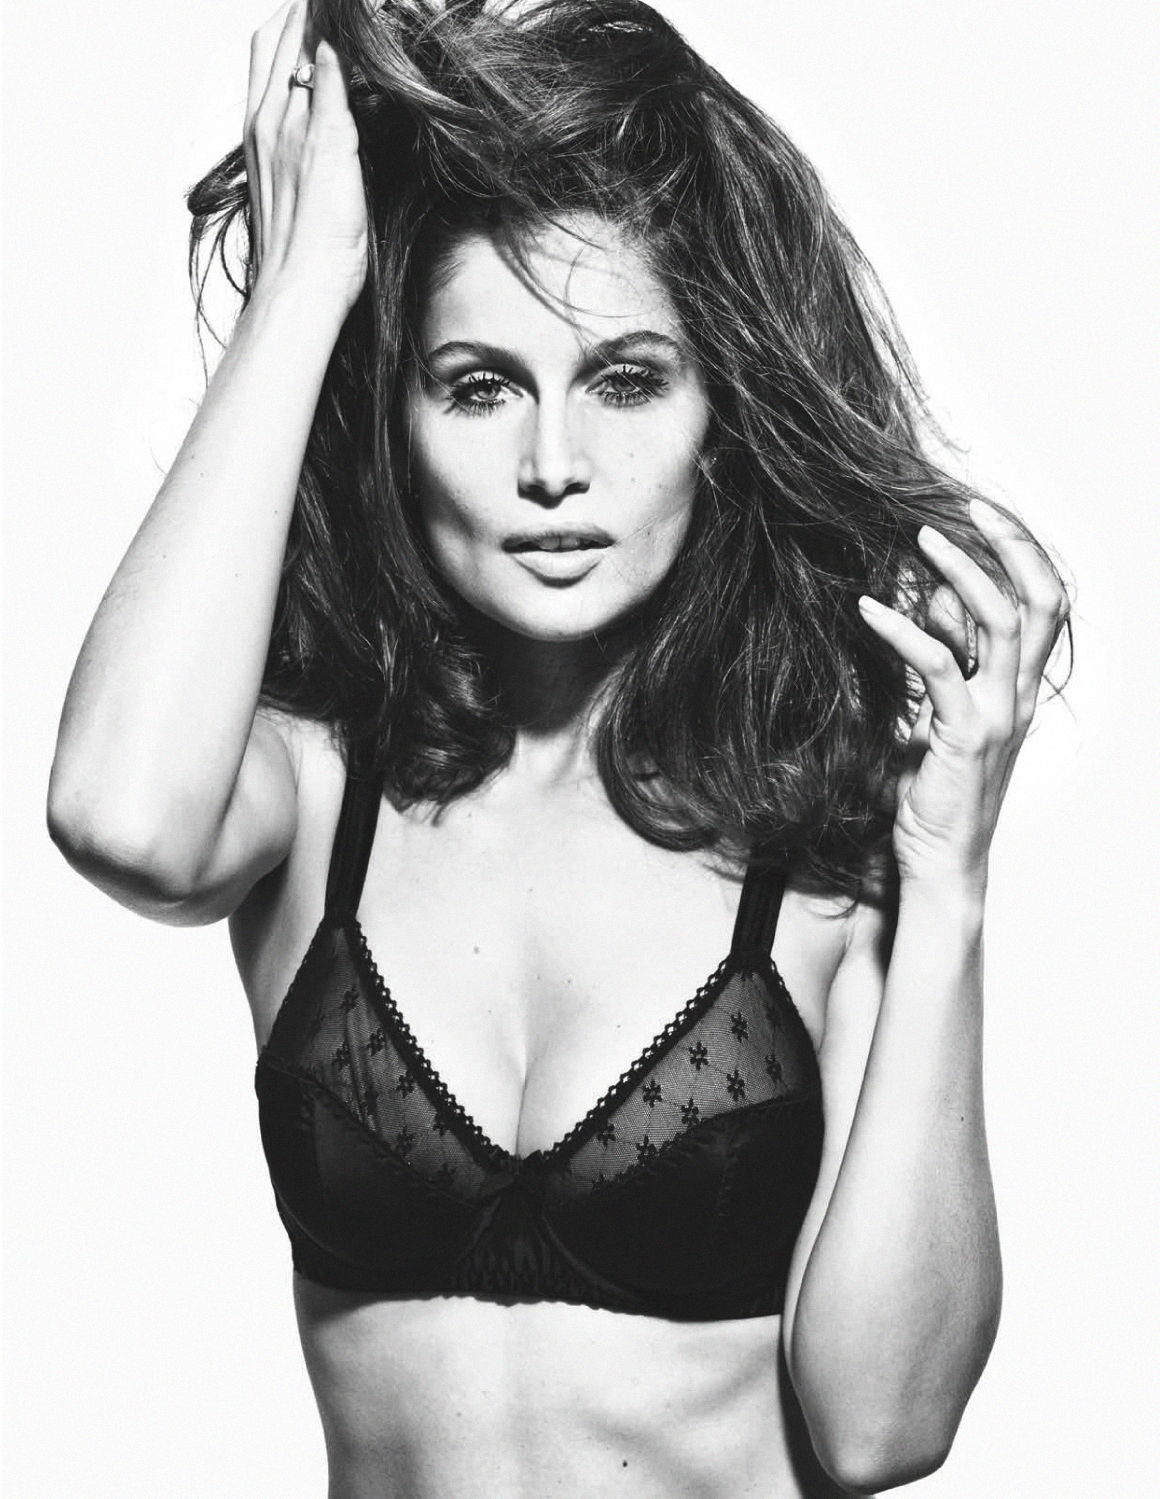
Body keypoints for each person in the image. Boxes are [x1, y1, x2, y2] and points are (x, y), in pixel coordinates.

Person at [47, 0, 1070, 1493]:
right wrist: (304, 290)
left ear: (719, 414)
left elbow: (883, 1428)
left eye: (626, 380)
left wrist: (954, 876)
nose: (552, 466)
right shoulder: (319, 788)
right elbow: (119, 820)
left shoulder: (820, 850)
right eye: (480, 385)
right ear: (398, 415)